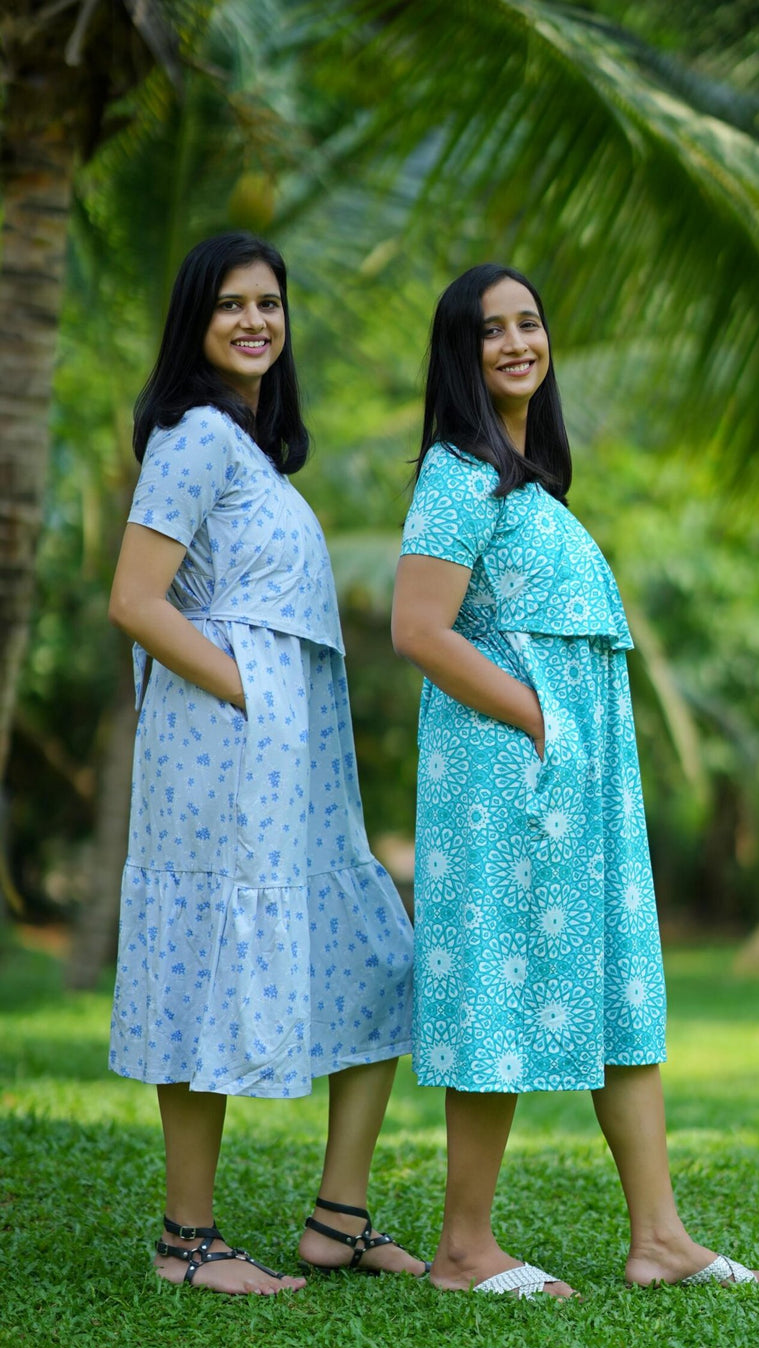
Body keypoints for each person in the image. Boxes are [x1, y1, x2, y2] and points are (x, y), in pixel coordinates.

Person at [391, 264, 759, 1296]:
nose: (517, 341)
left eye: (529, 322)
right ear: (459, 353)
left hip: (574, 783)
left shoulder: (530, 482)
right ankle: (464, 1249)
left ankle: (659, 1237)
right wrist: (541, 721)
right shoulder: (458, 472)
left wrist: (570, 737)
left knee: (618, 984)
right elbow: (418, 629)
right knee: (495, 990)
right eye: (491, 329)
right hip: (505, 779)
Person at [109, 232, 427, 1293]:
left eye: (270, 304)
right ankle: (186, 1243)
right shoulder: (194, 436)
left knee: (376, 949)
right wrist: (249, 690)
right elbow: (135, 602)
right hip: (218, 751)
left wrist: (277, 704)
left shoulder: (251, 449)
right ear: (196, 324)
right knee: (203, 963)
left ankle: (338, 1219)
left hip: (289, 761)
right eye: (231, 305)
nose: (256, 321)